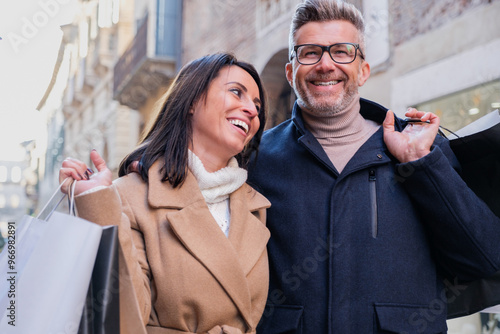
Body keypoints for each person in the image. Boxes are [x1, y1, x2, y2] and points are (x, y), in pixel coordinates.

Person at [247, 1, 500, 333]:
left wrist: (421, 164)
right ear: (291, 71)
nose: (326, 64)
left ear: (363, 70)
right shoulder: (257, 160)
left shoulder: (420, 148)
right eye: (310, 53)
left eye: (342, 51)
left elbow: (481, 259)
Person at [59, 53, 271, 334]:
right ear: (192, 100)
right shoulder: (129, 196)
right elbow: (123, 318)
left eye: (256, 105)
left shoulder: (255, 206)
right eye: (236, 92)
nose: (252, 111)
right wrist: (97, 202)